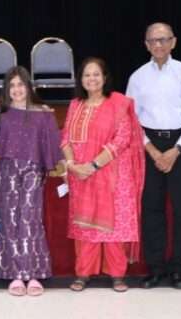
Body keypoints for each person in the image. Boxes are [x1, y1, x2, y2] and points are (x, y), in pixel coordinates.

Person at [126, 22, 181, 289]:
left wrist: (176, 150)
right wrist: (150, 149)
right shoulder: (137, 77)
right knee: (152, 210)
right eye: (153, 40)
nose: (158, 45)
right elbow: (130, 121)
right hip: (148, 146)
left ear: (173, 42)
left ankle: (178, 269)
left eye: (163, 40)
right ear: (146, 44)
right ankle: (156, 268)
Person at [61, 57, 145, 293]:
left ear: (105, 77)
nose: (91, 79)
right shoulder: (75, 105)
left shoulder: (118, 103)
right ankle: (83, 273)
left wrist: (94, 165)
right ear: (81, 79)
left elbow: (122, 139)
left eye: (96, 74)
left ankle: (117, 274)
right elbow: (66, 138)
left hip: (113, 176)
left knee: (113, 226)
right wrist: (71, 164)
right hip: (81, 175)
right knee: (85, 227)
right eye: (87, 75)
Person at [0, 66, 60, 296]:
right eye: (12, 86)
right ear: (6, 89)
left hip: (32, 170)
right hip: (7, 170)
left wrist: (57, 168)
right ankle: (16, 274)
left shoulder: (44, 113)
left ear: (28, 87)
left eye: (21, 85)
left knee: (29, 218)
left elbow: (51, 146)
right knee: (10, 219)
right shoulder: (0, 114)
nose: (17, 89)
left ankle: (34, 273)